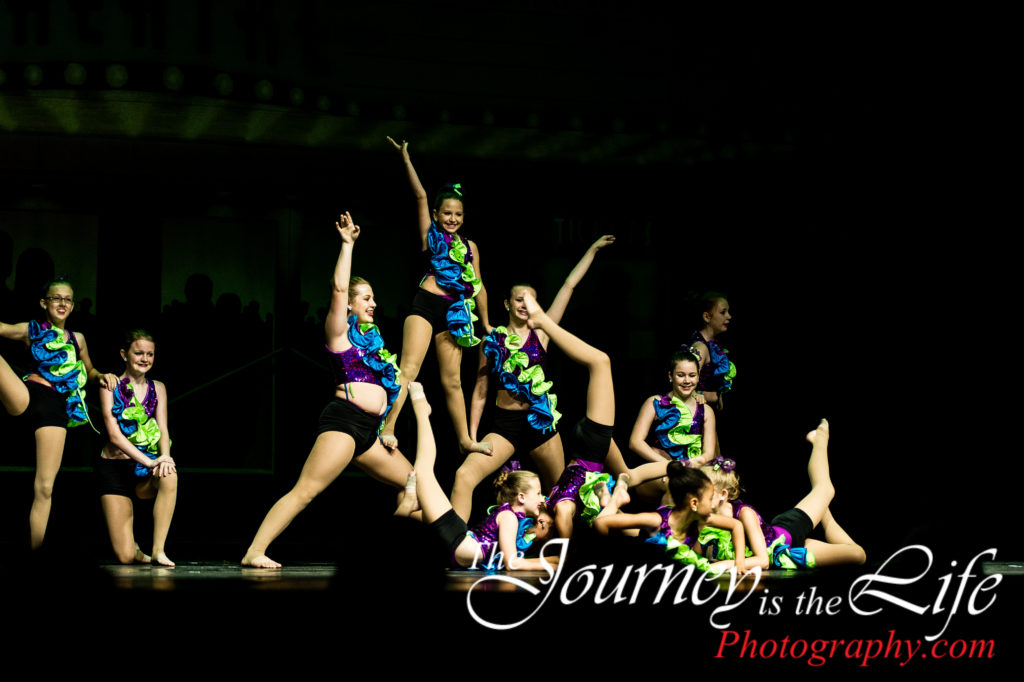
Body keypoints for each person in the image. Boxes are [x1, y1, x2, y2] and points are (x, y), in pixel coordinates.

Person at [242, 213, 412, 568]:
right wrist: (347, 245)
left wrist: (387, 427)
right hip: (345, 422)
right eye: (365, 298)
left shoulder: (372, 343)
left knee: (414, 483)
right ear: (349, 303)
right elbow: (338, 288)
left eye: (374, 298)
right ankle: (255, 551)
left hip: (370, 432)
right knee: (306, 490)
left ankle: (395, 557)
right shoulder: (339, 335)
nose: (373, 303)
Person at [452, 235, 616, 521]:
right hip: (505, 426)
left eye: (531, 300)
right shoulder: (492, 340)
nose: (525, 305)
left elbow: (568, 286)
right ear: (507, 303)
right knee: (464, 475)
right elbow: (480, 390)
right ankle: (457, 541)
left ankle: (558, 542)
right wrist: (472, 437)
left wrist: (592, 249)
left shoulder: (541, 333)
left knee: (560, 496)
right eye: (519, 299)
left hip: (540, 425)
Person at [380, 137, 491, 456]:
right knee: (409, 369)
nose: (452, 218)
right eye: (447, 213)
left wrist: (485, 324)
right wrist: (406, 160)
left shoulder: (470, 247)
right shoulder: (431, 236)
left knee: (452, 381)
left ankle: (465, 440)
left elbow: (479, 286)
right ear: (436, 214)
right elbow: (420, 194)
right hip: (426, 305)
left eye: (458, 214)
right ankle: (389, 426)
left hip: (455, 314)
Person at [0, 278, 118, 548]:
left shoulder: (78, 339)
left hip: (54, 410)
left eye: (67, 299)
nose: (62, 303)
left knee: (44, 487)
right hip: (28, 395)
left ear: (73, 305)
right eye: (56, 298)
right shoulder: (32, 329)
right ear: (44, 303)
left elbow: (89, 370)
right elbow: (3, 328)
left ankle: (34, 553)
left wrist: (101, 376)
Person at [396, 382, 556, 570]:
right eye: (537, 493)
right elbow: (512, 563)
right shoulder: (509, 517)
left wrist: (556, 560)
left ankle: (407, 507)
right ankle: (422, 411)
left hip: (454, 543)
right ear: (521, 497)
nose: (542, 498)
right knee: (423, 470)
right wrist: (555, 563)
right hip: (454, 538)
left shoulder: (514, 518)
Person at [701, 420, 866, 570]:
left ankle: (820, 438)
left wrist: (724, 565)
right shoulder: (703, 518)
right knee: (859, 555)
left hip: (790, 531)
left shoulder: (744, 514)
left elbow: (763, 561)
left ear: (723, 495)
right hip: (790, 552)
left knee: (826, 488)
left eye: (702, 492)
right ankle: (822, 507)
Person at [96, 330, 177, 566]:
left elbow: (163, 429)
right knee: (126, 557)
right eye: (138, 353)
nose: (145, 359)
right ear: (124, 354)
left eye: (150, 354)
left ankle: (159, 550)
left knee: (170, 473)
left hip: (143, 473)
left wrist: (164, 457)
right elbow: (114, 435)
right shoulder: (110, 385)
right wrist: (150, 461)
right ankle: (136, 550)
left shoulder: (158, 387)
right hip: (114, 470)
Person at [592, 461, 747, 574]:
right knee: (622, 527)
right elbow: (601, 523)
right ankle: (614, 498)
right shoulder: (656, 520)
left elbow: (737, 526)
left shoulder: (702, 517)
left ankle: (611, 498)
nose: (713, 505)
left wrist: (739, 563)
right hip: (640, 567)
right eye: (710, 498)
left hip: (667, 573)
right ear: (694, 503)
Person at [629, 348, 717, 467]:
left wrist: (689, 466)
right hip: (660, 467)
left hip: (692, 469)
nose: (687, 380)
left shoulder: (706, 411)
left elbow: (709, 454)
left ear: (698, 377)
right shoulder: (655, 403)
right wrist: (670, 466)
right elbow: (635, 442)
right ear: (670, 376)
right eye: (680, 375)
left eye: (692, 375)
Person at [687, 293, 736, 411]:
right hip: (699, 414)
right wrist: (712, 396)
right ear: (707, 317)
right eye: (723, 312)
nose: (729, 316)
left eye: (728, 311)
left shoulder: (712, 345)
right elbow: (685, 386)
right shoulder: (700, 348)